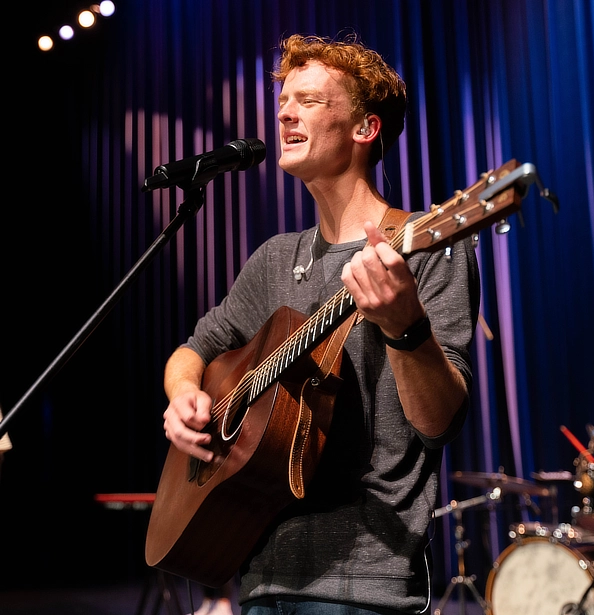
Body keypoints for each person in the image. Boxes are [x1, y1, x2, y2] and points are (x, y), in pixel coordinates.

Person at [162, 33, 480, 615]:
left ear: (365, 129)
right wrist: (184, 397)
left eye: (308, 101)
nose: (284, 111)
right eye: (285, 100)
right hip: (260, 578)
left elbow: (440, 423)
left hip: (365, 587)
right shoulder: (274, 258)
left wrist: (403, 327)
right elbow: (193, 348)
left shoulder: (430, 246)